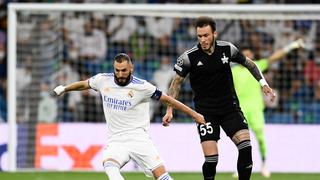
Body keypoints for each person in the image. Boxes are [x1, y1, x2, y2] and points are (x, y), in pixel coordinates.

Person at [52, 53, 205, 180]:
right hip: (116, 140)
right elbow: (84, 84)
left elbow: (168, 99)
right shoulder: (102, 80)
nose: (120, 74)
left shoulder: (143, 87)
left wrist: (194, 115)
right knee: (110, 168)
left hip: (139, 139)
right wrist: (64, 88)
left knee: (163, 176)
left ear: (131, 68)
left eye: (124, 70)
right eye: (117, 70)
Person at [162, 16, 276, 180]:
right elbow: (176, 84)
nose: (203, 40)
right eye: (199, 36)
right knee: (211, 159)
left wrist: (262, 83)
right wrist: (169, 110)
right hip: (205, 113)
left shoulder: (227, 49)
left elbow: (250, 64)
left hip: (230, 108)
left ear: (214, 33)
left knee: (245, 147)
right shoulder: (188, 57)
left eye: (206, 35)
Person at [232, 39, 305, 178]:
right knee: (240, 140)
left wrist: (292, 45)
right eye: (244, 54)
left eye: (249, 54)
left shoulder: (257, 66)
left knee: (260, 138)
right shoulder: (233, 71)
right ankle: (241, 166)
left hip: (255, 110)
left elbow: (274, 57)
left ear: (252, 55)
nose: (247, 57)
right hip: (239, 110)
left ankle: (264, 164)